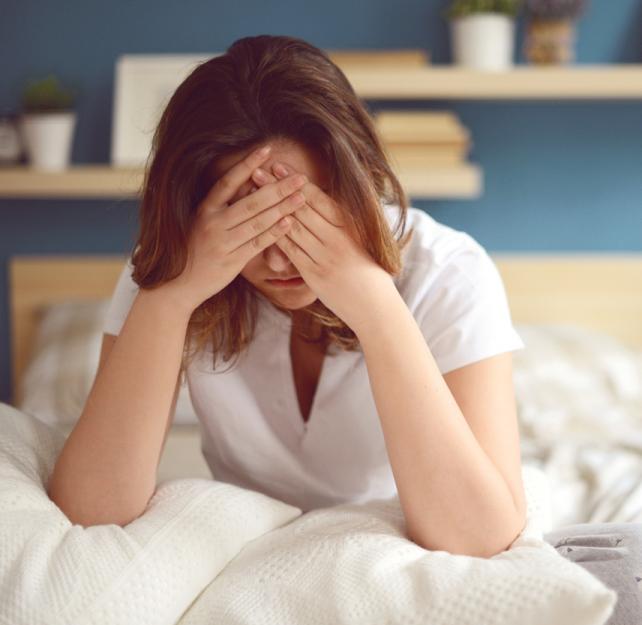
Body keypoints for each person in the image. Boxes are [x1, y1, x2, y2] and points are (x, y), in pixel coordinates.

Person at [46, 34, 528, 558]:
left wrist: (373, 302)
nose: (279, 262)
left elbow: (481, 538)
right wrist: (173, 294)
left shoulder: (449, 272)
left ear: (361, 186)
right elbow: (92, 512)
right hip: (247, 549)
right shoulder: (173, 266)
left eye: (303, 221)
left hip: (392, 551)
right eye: (248, 224)